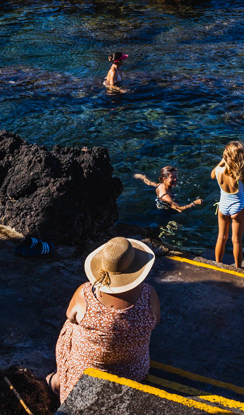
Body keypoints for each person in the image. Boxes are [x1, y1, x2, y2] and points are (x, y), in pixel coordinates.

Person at [49, 237, 160, 403]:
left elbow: (70, 316)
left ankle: (60, 380)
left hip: (86, 373)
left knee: (71, 326)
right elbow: (155, 321)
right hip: (132, 371)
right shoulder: (149, 295)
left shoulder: (85, 294)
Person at [211, 141, 244, 268]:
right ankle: (238, 267)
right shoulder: (239, 175)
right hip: (237, 208)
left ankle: (217, 264)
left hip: (222, 207)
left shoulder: (218, 171)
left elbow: (212, 175)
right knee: (236, 240)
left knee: (221, 237)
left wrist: (221, 162)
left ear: (225, 156)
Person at [133, 167, 204, 213]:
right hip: (164, 212)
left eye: (175, 176)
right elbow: (180, 209)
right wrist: (194, 203)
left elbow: (150, 183)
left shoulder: (160, 185)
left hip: (164, 203)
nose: (175, 179)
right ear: (165, 179)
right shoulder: (166, 196)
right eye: (172, 177)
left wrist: (142, 177)